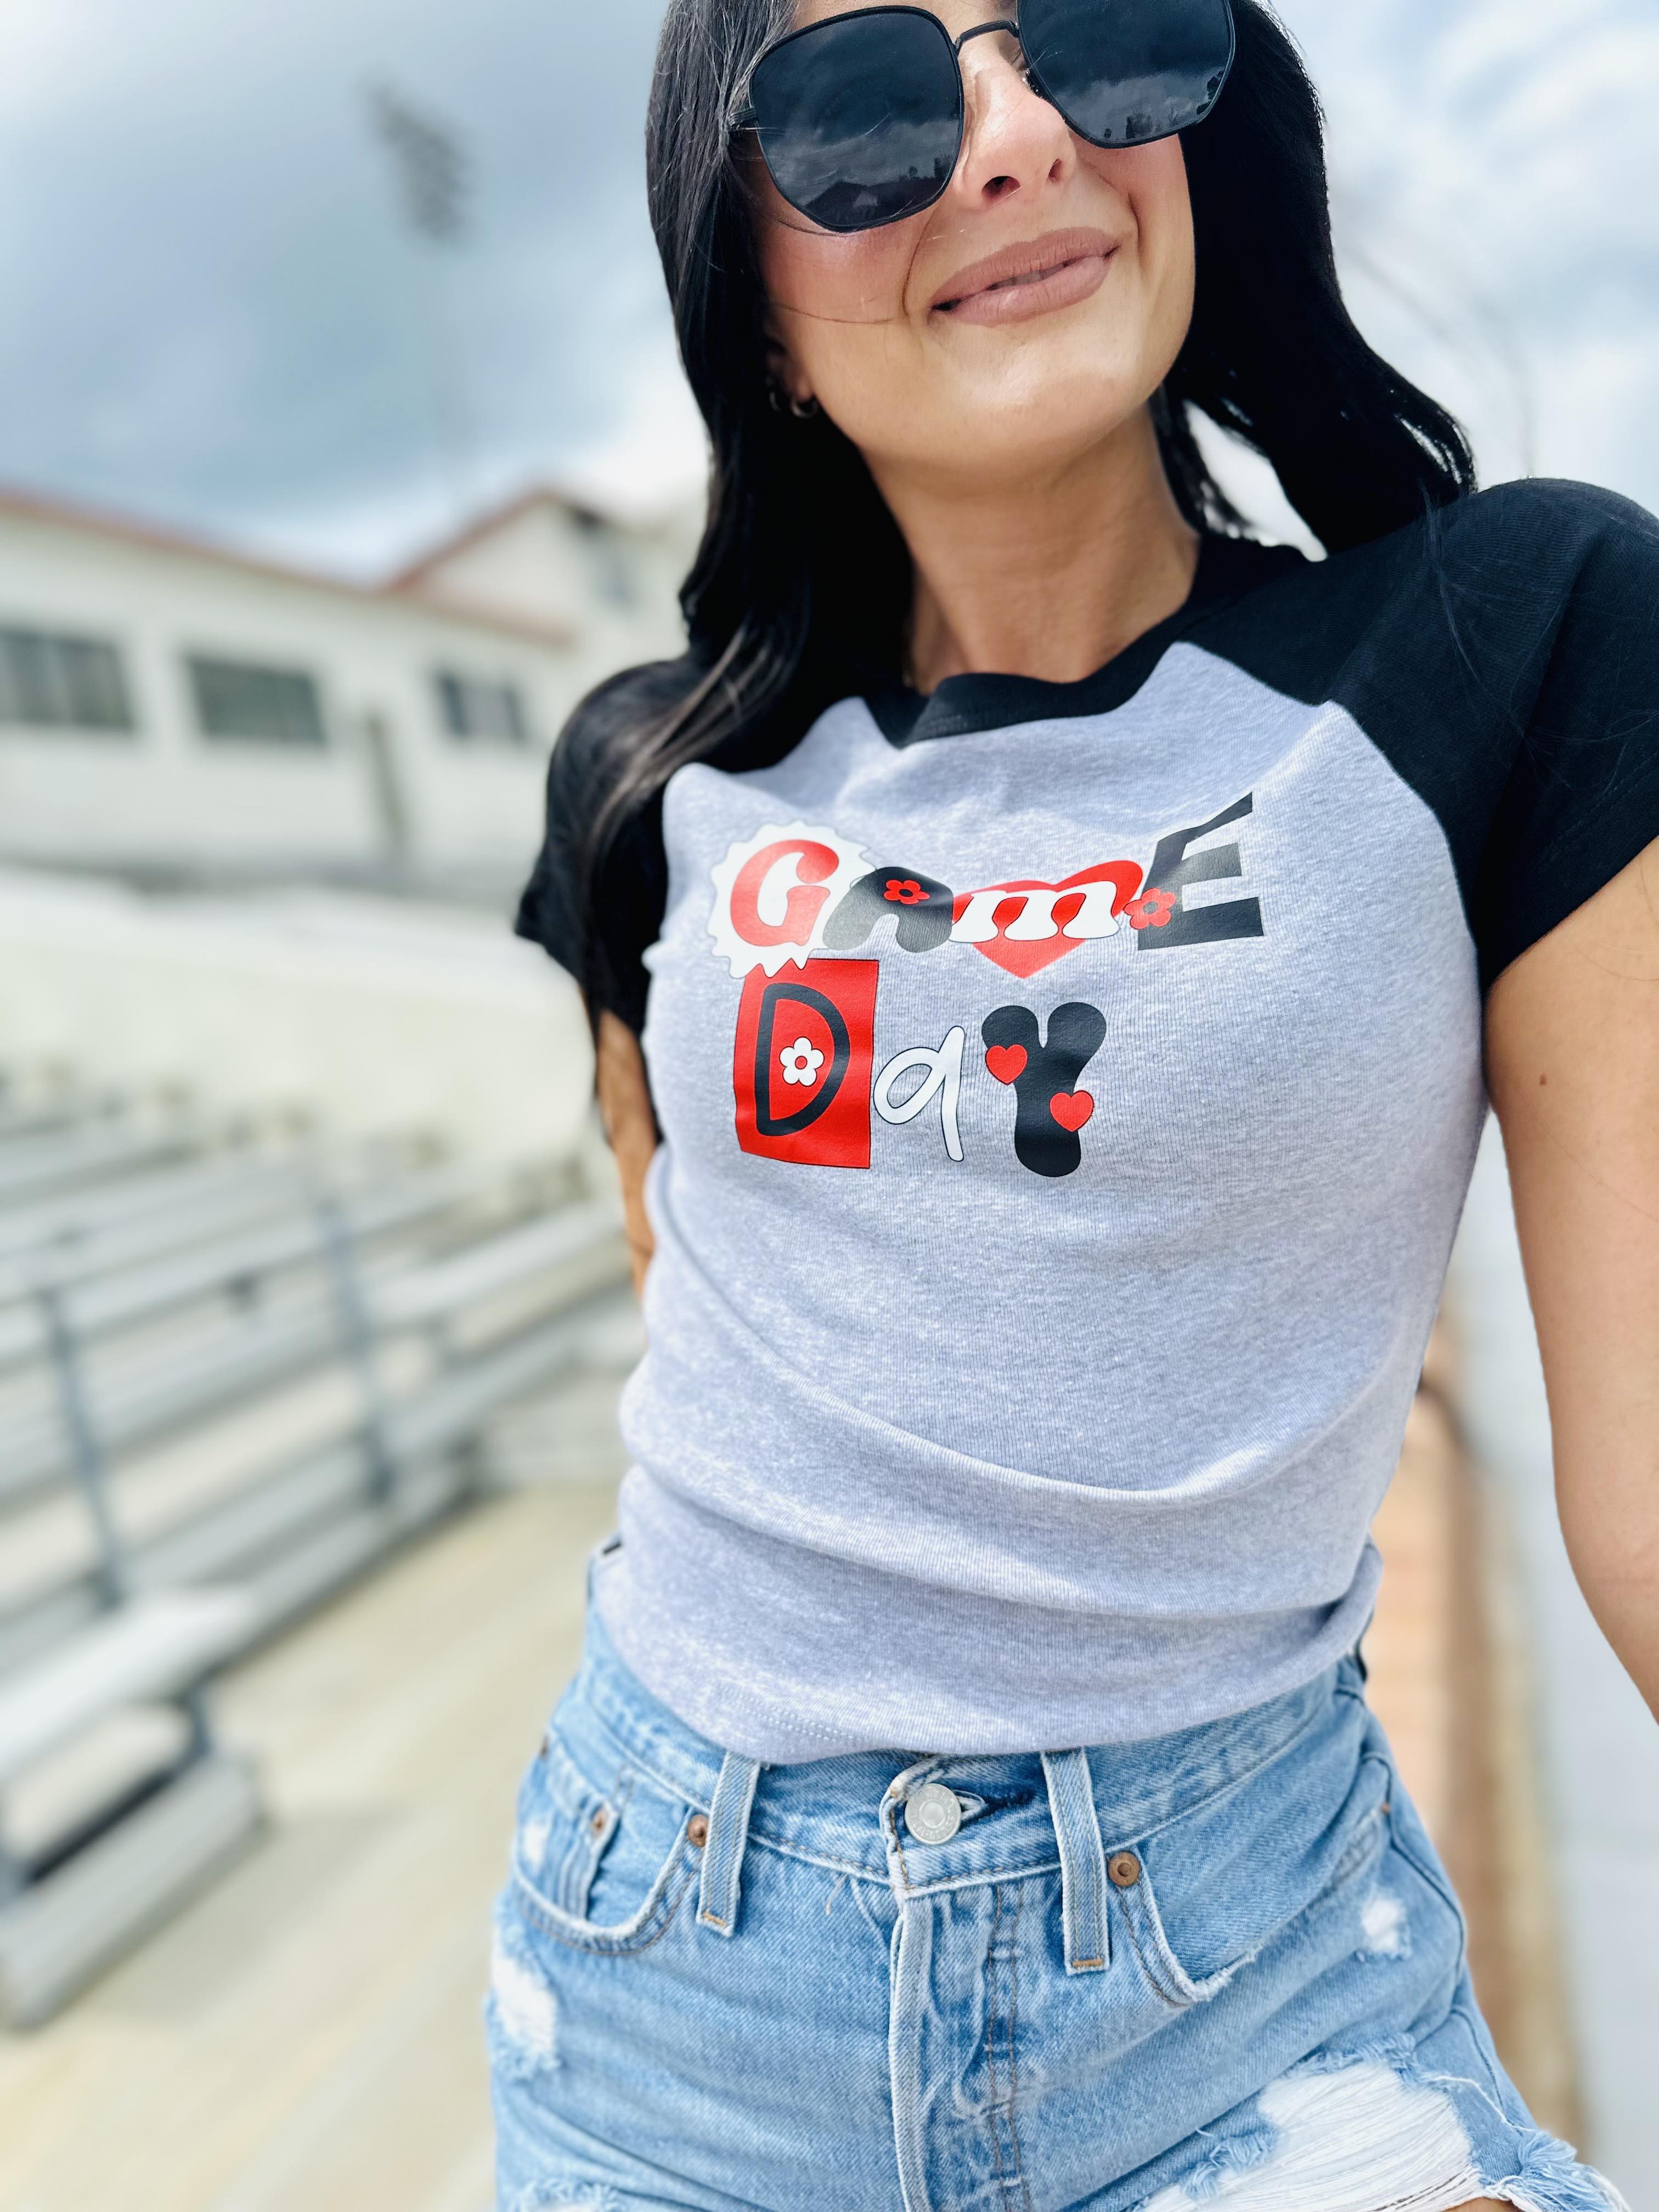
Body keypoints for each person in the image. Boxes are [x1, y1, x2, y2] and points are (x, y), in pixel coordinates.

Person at [496, 0, 1656, 2203]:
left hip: (1247, 1978)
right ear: (746, 293)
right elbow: (699, 1289)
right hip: (666, 1965)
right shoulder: (655, 788)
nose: (1017, 137)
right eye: (869, 107)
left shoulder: (1517, 644)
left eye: (1103, 41)